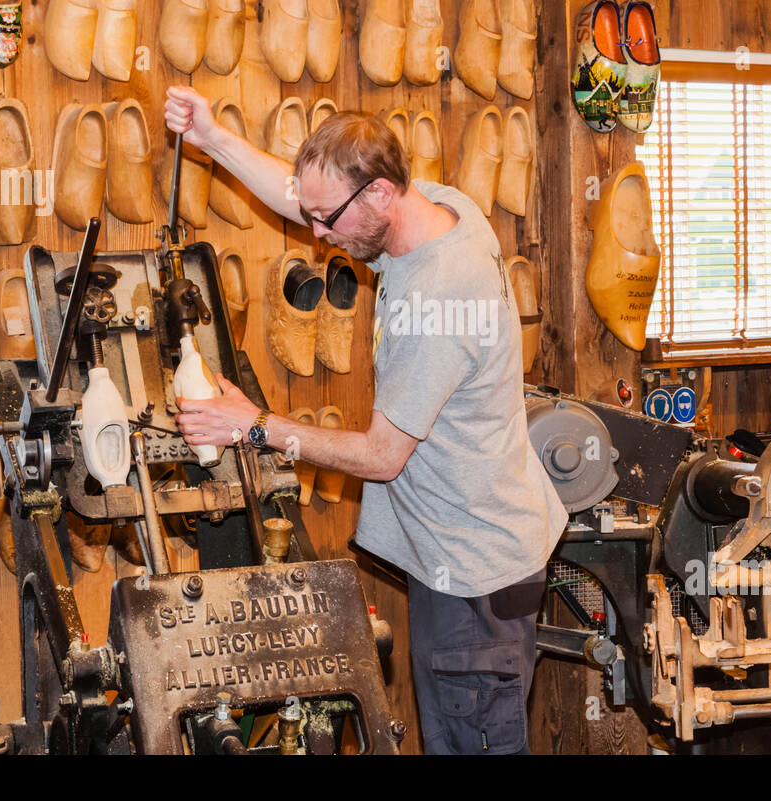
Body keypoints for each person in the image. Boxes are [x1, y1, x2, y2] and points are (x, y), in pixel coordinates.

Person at [164, 85, 568, 754]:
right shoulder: (440, 208)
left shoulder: (436, 306)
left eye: (326, 220)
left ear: (378, 194)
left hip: (474, 579)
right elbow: (308, 197)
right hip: (477, 552)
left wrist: (253, 425)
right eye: (313, 215)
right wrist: (213, 139)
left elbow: (383, 457)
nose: (316, 237)